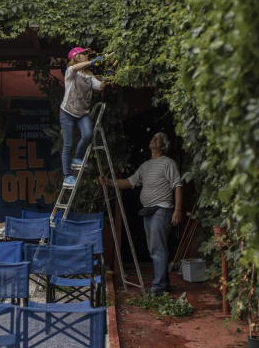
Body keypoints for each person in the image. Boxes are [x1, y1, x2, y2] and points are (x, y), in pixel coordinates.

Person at [101, 132, 183, 294]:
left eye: (158, 138)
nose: (154, 139)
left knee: (157, 248)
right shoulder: (145, 166)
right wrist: (109, 182)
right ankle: (163, 284)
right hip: (148, 210)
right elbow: (130, 182)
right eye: (153, 137)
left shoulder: (168, 163)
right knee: (156, 247)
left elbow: (177, 186)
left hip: (162, 208)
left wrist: (178, 209)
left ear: (164, 145)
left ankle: (158, 287)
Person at [60, 47, 107, 187]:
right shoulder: (70, 71)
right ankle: (67, 176)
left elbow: (100, 87)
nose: (86, 55)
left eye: (86, 54)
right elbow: (75, 68)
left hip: (82, 113)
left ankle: (77, 157)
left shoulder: (89, 75)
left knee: (87, 135)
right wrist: (93, 61)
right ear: (76, 57)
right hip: (67, 112)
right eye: (84, 53)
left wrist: (107, 77)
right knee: (68, 144)